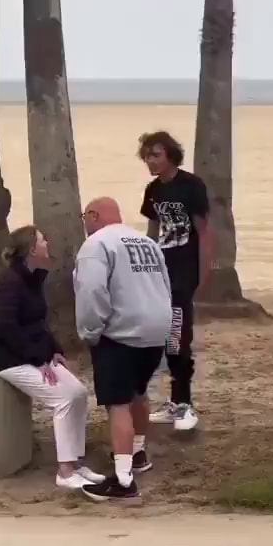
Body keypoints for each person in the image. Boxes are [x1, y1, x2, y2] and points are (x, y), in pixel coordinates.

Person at [0, 225, 106, 492]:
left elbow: (40, 324)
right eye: (42, 239)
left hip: (35, 356)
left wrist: (55, 351)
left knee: (78, 393)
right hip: (10, 360)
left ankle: (75, 463)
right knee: (63, 399)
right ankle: (64, 471)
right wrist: (36, 358)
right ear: (31, 248)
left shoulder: (34, 279)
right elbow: (7, 329)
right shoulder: (8, 283)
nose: (47, 242)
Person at [73, 197, 172, 502]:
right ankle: (138, 453)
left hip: (121, 333)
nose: (84, 224)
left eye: (84, 218)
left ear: (93, 215)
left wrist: (90, 331)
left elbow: (91, 290)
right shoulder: (148, 243)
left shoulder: (96, 244)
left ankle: (123, 479)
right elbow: (165, 284)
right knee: (138, 394)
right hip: (155, 331)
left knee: (117, 404)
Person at [138, 130, 212, 431]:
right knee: (162, 336)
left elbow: (204, 232)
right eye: (146, 156)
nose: (150, 161)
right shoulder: (153, 190)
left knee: (179, 337)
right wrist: (144, 268)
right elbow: (152, 233)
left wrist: (204, 272)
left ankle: (184, 404)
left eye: (155, 154)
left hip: (185, 272)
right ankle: (173, 403)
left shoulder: (191, 186)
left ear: (170, 155)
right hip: (161, 273)